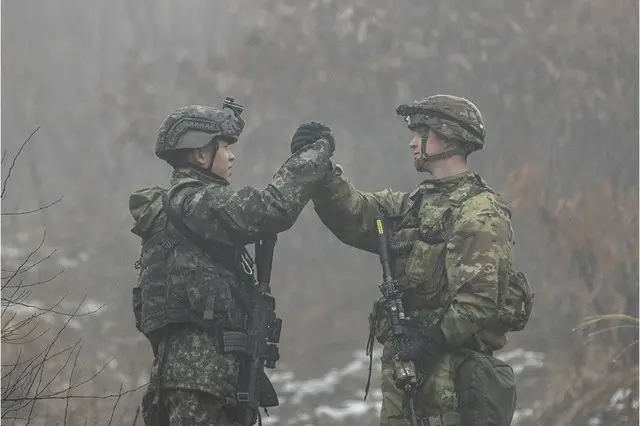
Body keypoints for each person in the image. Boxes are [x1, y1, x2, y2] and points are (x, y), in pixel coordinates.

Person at [302, 95, 532, 426]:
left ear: (447, 137)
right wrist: (321, 169)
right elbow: (354, 214)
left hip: (452, 380)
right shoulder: (412, 205)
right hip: (408, 375)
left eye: (421, 132)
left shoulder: (480, 210)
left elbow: (480, 300)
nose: (412, 142)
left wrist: (429, 342)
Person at [128, 99, 334, 425]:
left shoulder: (187, 211)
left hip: (201, 382)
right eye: (224, 146)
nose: (232, 155)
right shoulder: (194, 203)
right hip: (199, 384)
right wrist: (314, 154)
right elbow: (273, 206)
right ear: (200, 154)